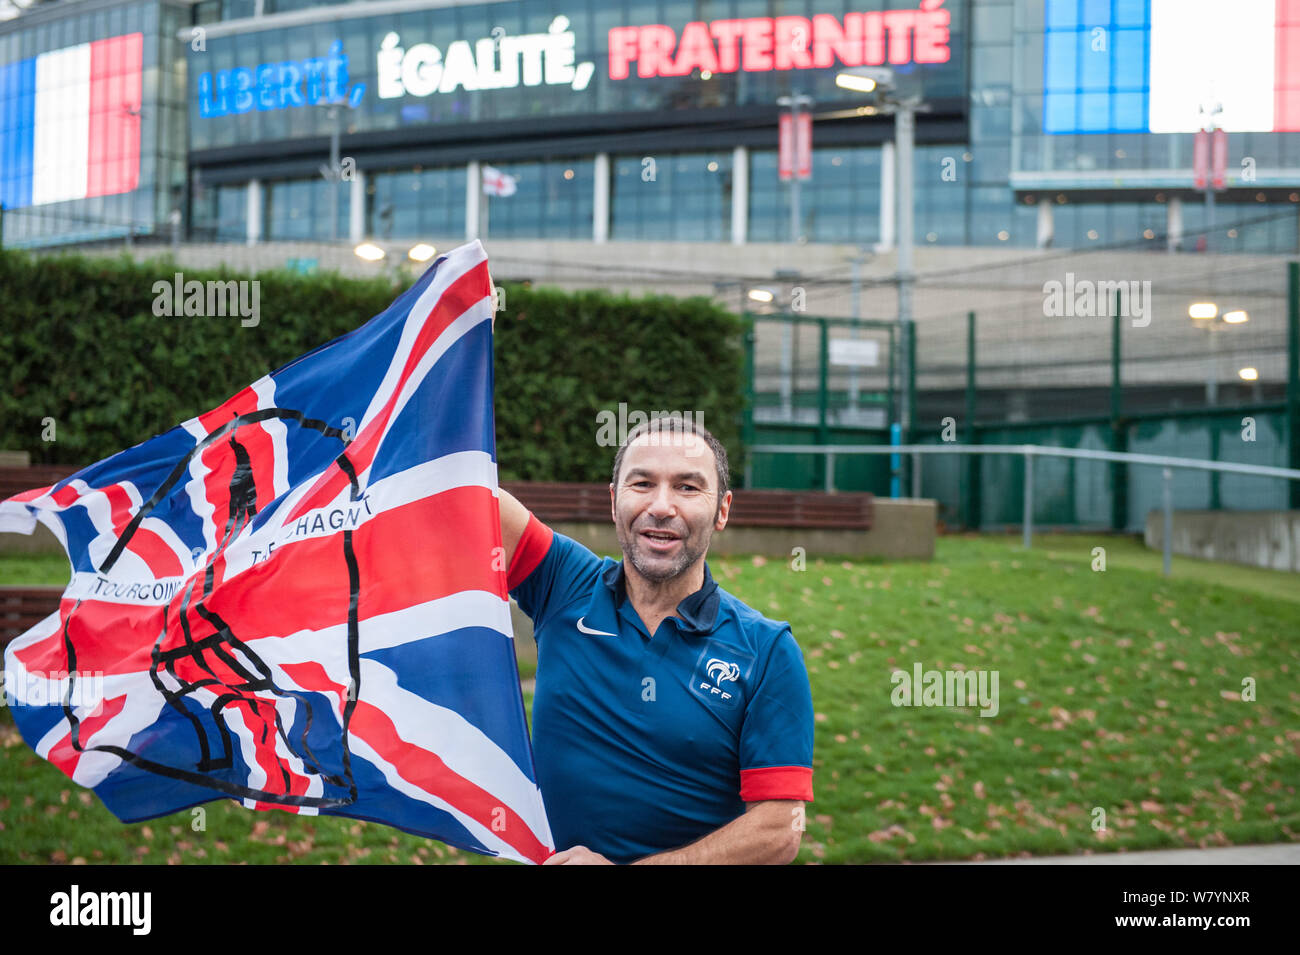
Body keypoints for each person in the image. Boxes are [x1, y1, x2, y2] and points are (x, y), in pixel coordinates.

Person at [499, 414, 815, 864]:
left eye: (687, 487)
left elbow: (780, 828)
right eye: (642, 483)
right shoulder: (563, 584)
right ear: (614, 501)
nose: (662, 506)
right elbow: (454, 488)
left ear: (722, 509)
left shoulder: (766, 652)